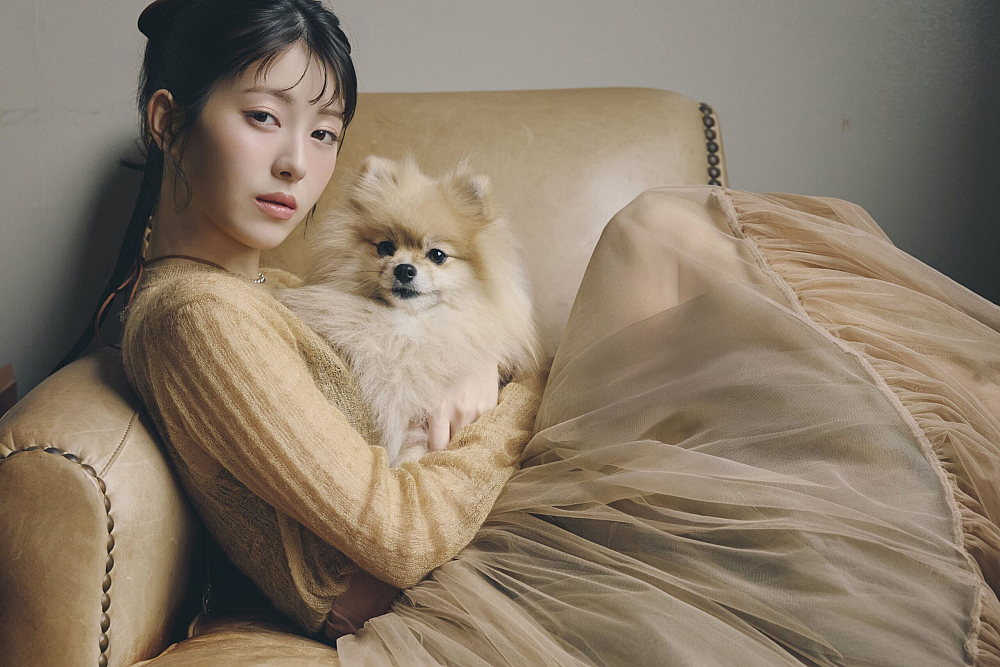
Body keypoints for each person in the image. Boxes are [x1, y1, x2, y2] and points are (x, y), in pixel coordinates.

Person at [51, 0, 549, 651]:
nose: (295, 163)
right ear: (167, 122)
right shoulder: (200, 316)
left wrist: (486, 366)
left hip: (473, 548)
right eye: (263, 116)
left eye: (324, 133)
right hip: (425, 597)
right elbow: (402, 537)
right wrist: (517, 399)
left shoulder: (275, 290)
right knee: (649, 237)